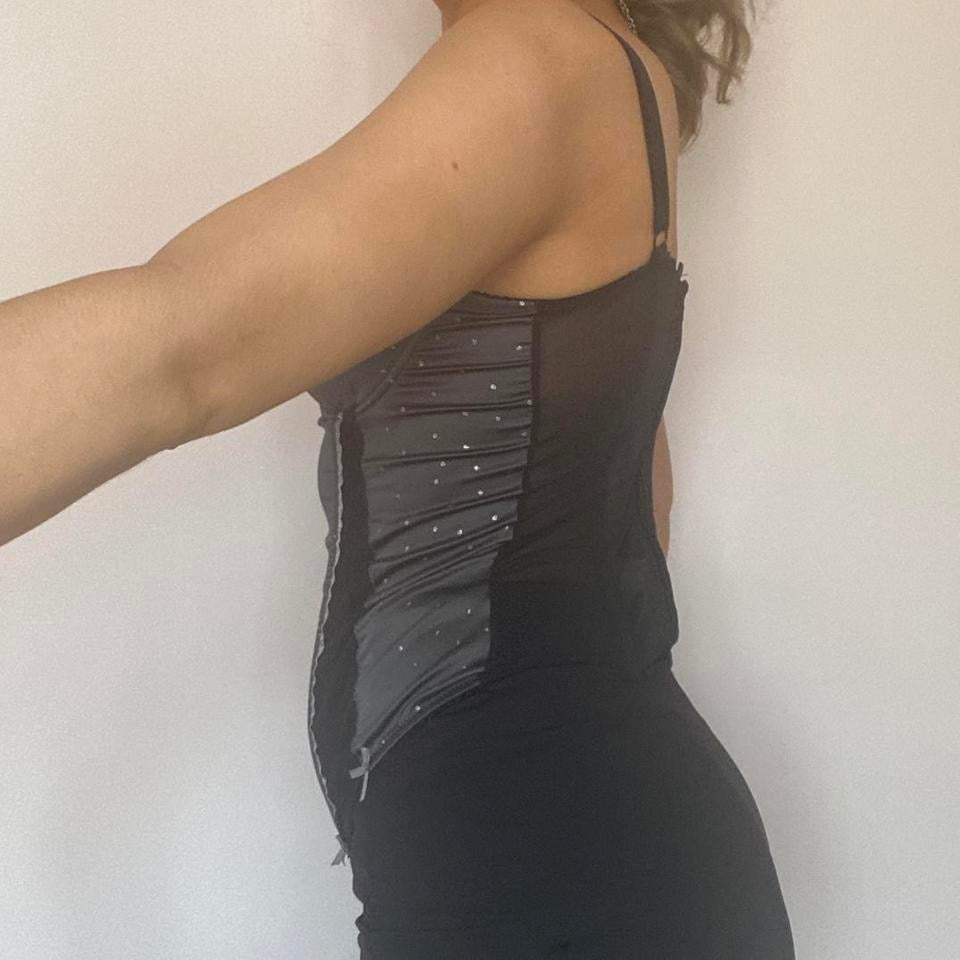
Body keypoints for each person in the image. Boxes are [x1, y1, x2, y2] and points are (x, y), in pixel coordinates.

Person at [1, 0, 795, 956]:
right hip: (589, 853)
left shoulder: (534, 55)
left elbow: (183, 354)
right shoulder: (598, 66)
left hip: (557, 871)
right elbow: (631, 505)